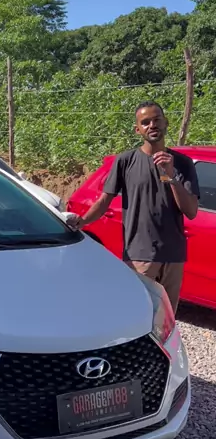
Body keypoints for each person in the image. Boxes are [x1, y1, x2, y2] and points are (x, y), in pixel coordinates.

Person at [69, 101, 199, 314]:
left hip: (173, 255)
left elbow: (191, 211)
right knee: (137, 313)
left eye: (156, 120)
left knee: (165, 318)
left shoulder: (182, 164)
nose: (152, 125)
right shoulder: (125, 161)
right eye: (145, 122)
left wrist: (171, 176)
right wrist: (82, 222)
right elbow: (103, 201)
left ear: (166, 123)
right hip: (139, 255)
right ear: (137, 129)